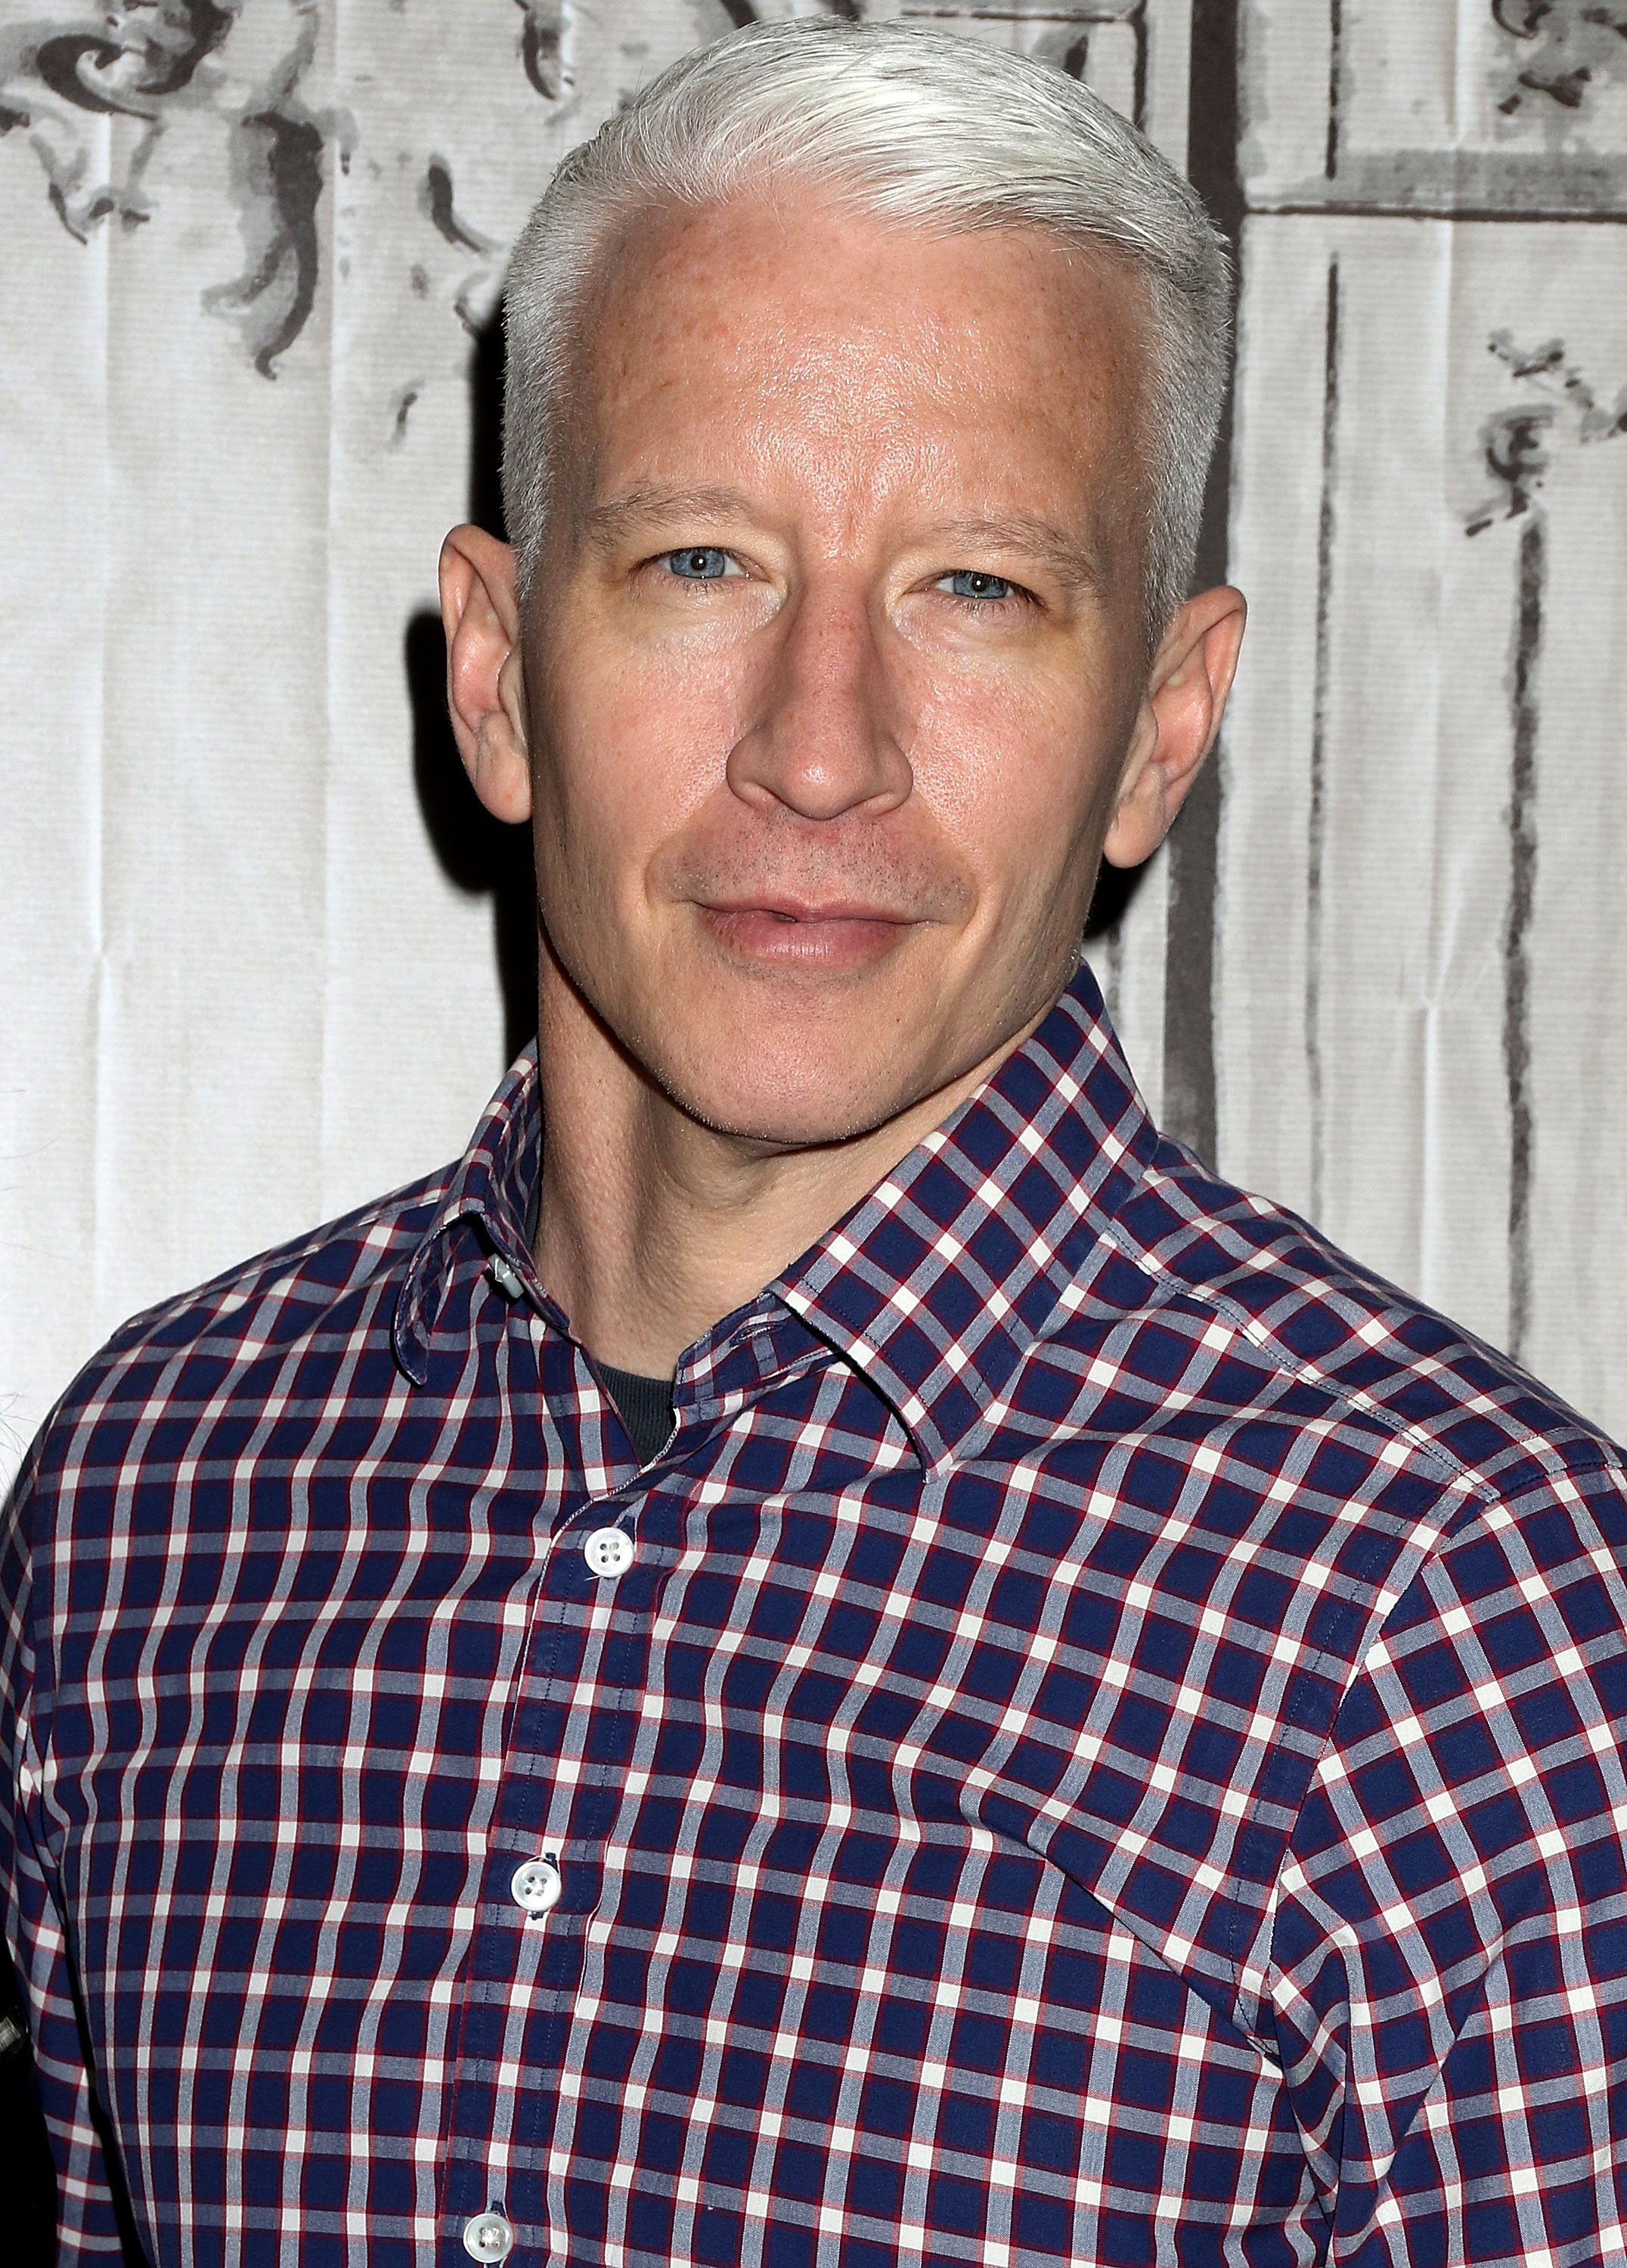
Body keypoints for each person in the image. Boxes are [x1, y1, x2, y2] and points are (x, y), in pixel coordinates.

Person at [5, 19, 1626, 2266]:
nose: (823, 749)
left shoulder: (1451, 1612)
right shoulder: (151, 1501)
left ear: (1162, 731)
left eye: (978, 588)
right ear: (493, 675)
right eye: (699, 563)